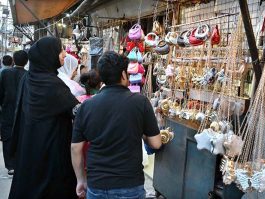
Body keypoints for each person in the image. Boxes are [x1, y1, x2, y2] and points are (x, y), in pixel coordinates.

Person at [71, 51, 162, 199]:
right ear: (124, 74)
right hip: (130, 184)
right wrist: (141, 131)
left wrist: (81, 180)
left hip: (97, 184)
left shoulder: (86, 106)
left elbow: (76, 148)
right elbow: (156, 143)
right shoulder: (140, 102)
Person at [9, 37, 79, 199]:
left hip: (29, 146)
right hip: (52, 148)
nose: (64, 54)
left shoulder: (28, 79)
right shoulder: (51, 84)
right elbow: (76, 111)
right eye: (60, 50)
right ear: (49, 55)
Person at [0, 50, 28, 176]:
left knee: (7, 138)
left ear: (13, 61)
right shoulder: (28, 75)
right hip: (24, 111)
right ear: (27, 61)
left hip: (7, 110)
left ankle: (11, 165)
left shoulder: (5, 73)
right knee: (22, 136)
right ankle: (21, 163)